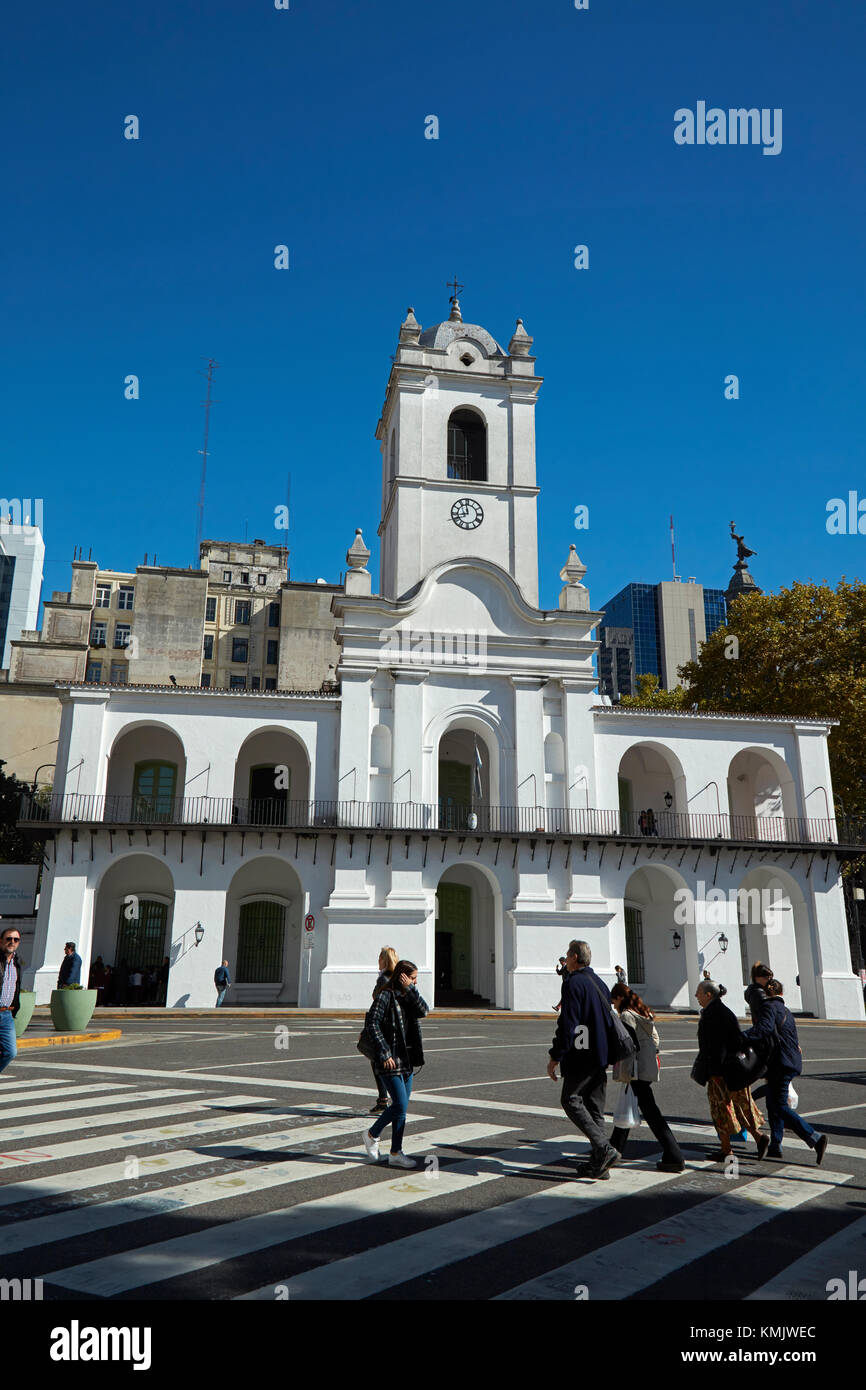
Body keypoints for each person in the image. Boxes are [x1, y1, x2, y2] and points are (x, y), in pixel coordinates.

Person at [547, 939, 619, 1180]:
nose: (565, 959)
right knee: (595, 1108)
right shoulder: (599, 982)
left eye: (568, 955)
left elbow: (568, 1023)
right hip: (600, 1054)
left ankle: (604, 1148)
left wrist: (556, 1054)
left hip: (581, 1053)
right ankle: (600, 1164)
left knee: (571, 1099)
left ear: (575, 957)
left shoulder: (573, 983)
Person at [745, 979, 828, 1164]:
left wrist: (742, 1037)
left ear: (766, 994)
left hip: (780, 1064)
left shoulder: (769, 1007)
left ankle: (814, 1138)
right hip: (789, 1062)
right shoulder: (786, 1011)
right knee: (773, 1103)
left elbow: (763, 1029)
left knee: (779, 1105)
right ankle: (776, 1144)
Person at [609, 983, 684, 1172]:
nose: (613, 1004)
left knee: (651, 1114)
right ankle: (613, 1150)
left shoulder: (626, 1015)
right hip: (646, 1069)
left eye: (613, 1000)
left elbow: (627, 1045)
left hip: (635, 1071)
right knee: (630, 1109)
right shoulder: (644, 1014)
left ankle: (674, 1154)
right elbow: (655, 1040)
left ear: (619, 998)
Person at [694, 979, 769, 1162]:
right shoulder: (722, 1011)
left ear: (708, 995)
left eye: (699, 993)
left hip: (720, 1070)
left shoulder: (714, 1014)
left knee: (721, 1108)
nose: (696, 996)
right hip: (733, 1070)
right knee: (739, 1106)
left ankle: (727, 1149)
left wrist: (713, 1069)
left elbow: (714, 1046)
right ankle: (758, 1137)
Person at [363, 959, 428, 1168]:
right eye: (413, 978)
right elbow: (372, 1023)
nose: (415, 982)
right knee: (400, 1104)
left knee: (402, 1108)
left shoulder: (408, 996)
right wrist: (384, 1052)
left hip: (407, 1059)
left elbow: (424, 1011)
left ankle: (395, 1152)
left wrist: (410, 990)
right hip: (389, 1059)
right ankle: (372, 1134)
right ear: (402, 976)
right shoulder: (385, 995)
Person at [369, 947, 398, 1113]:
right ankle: (385, 1099)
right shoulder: (395, 979)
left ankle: (384, 1100)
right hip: (392, 1028)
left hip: (382, 1027)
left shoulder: (383, 980)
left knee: (379, 1063)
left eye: (379, 958)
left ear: (384, 960)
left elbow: (376, 1003)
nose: (377, 961)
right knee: (386, 1063)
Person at [0, 925, 22, 1079]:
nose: (12, 942)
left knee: (10, 1052)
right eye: (9, 939)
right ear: (1, 941)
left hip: (7, 1014)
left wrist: (15, 1009)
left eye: (15, 939)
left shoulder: (16, 964)